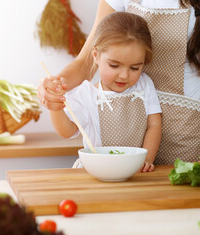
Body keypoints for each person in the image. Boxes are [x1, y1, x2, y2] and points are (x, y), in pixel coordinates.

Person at [38, 0, 200, 164]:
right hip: (127, 144)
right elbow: (87, 62)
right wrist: (55, 86)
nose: (123, 74)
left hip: (187, 144)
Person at [43, 12, 162, 172]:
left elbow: (154, 125)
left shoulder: (145, 84)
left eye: (135, 68)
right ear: (96, 56)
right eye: (114, 65)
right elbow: (67, 131)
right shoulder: (86, 94)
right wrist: (55, 108)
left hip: (133, 171)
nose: (124, 75)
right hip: (95, 172)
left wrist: (147, 159)